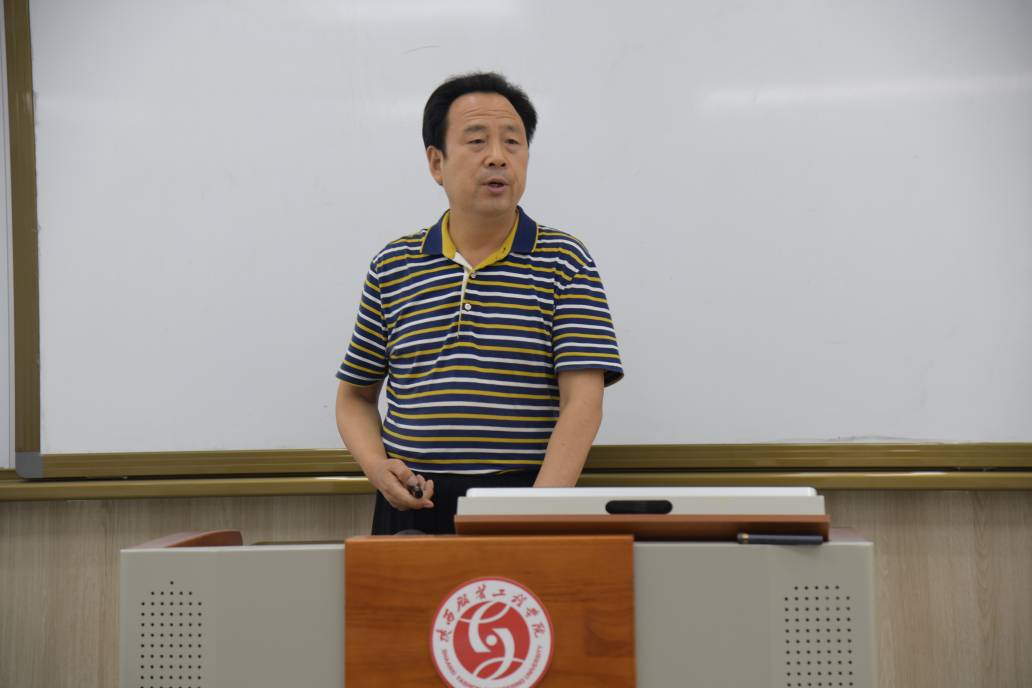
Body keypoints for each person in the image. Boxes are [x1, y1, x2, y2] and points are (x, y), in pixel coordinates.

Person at [334, 72, 623, 535]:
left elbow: (583, 403)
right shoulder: (393, 265)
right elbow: (355, 397)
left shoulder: (564, 261)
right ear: (436, 162)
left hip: (526, 495)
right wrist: (377, 466)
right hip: (413, 503)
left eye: (513, 142)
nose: (498, 157)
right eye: (476, 141)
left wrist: (538, 510)